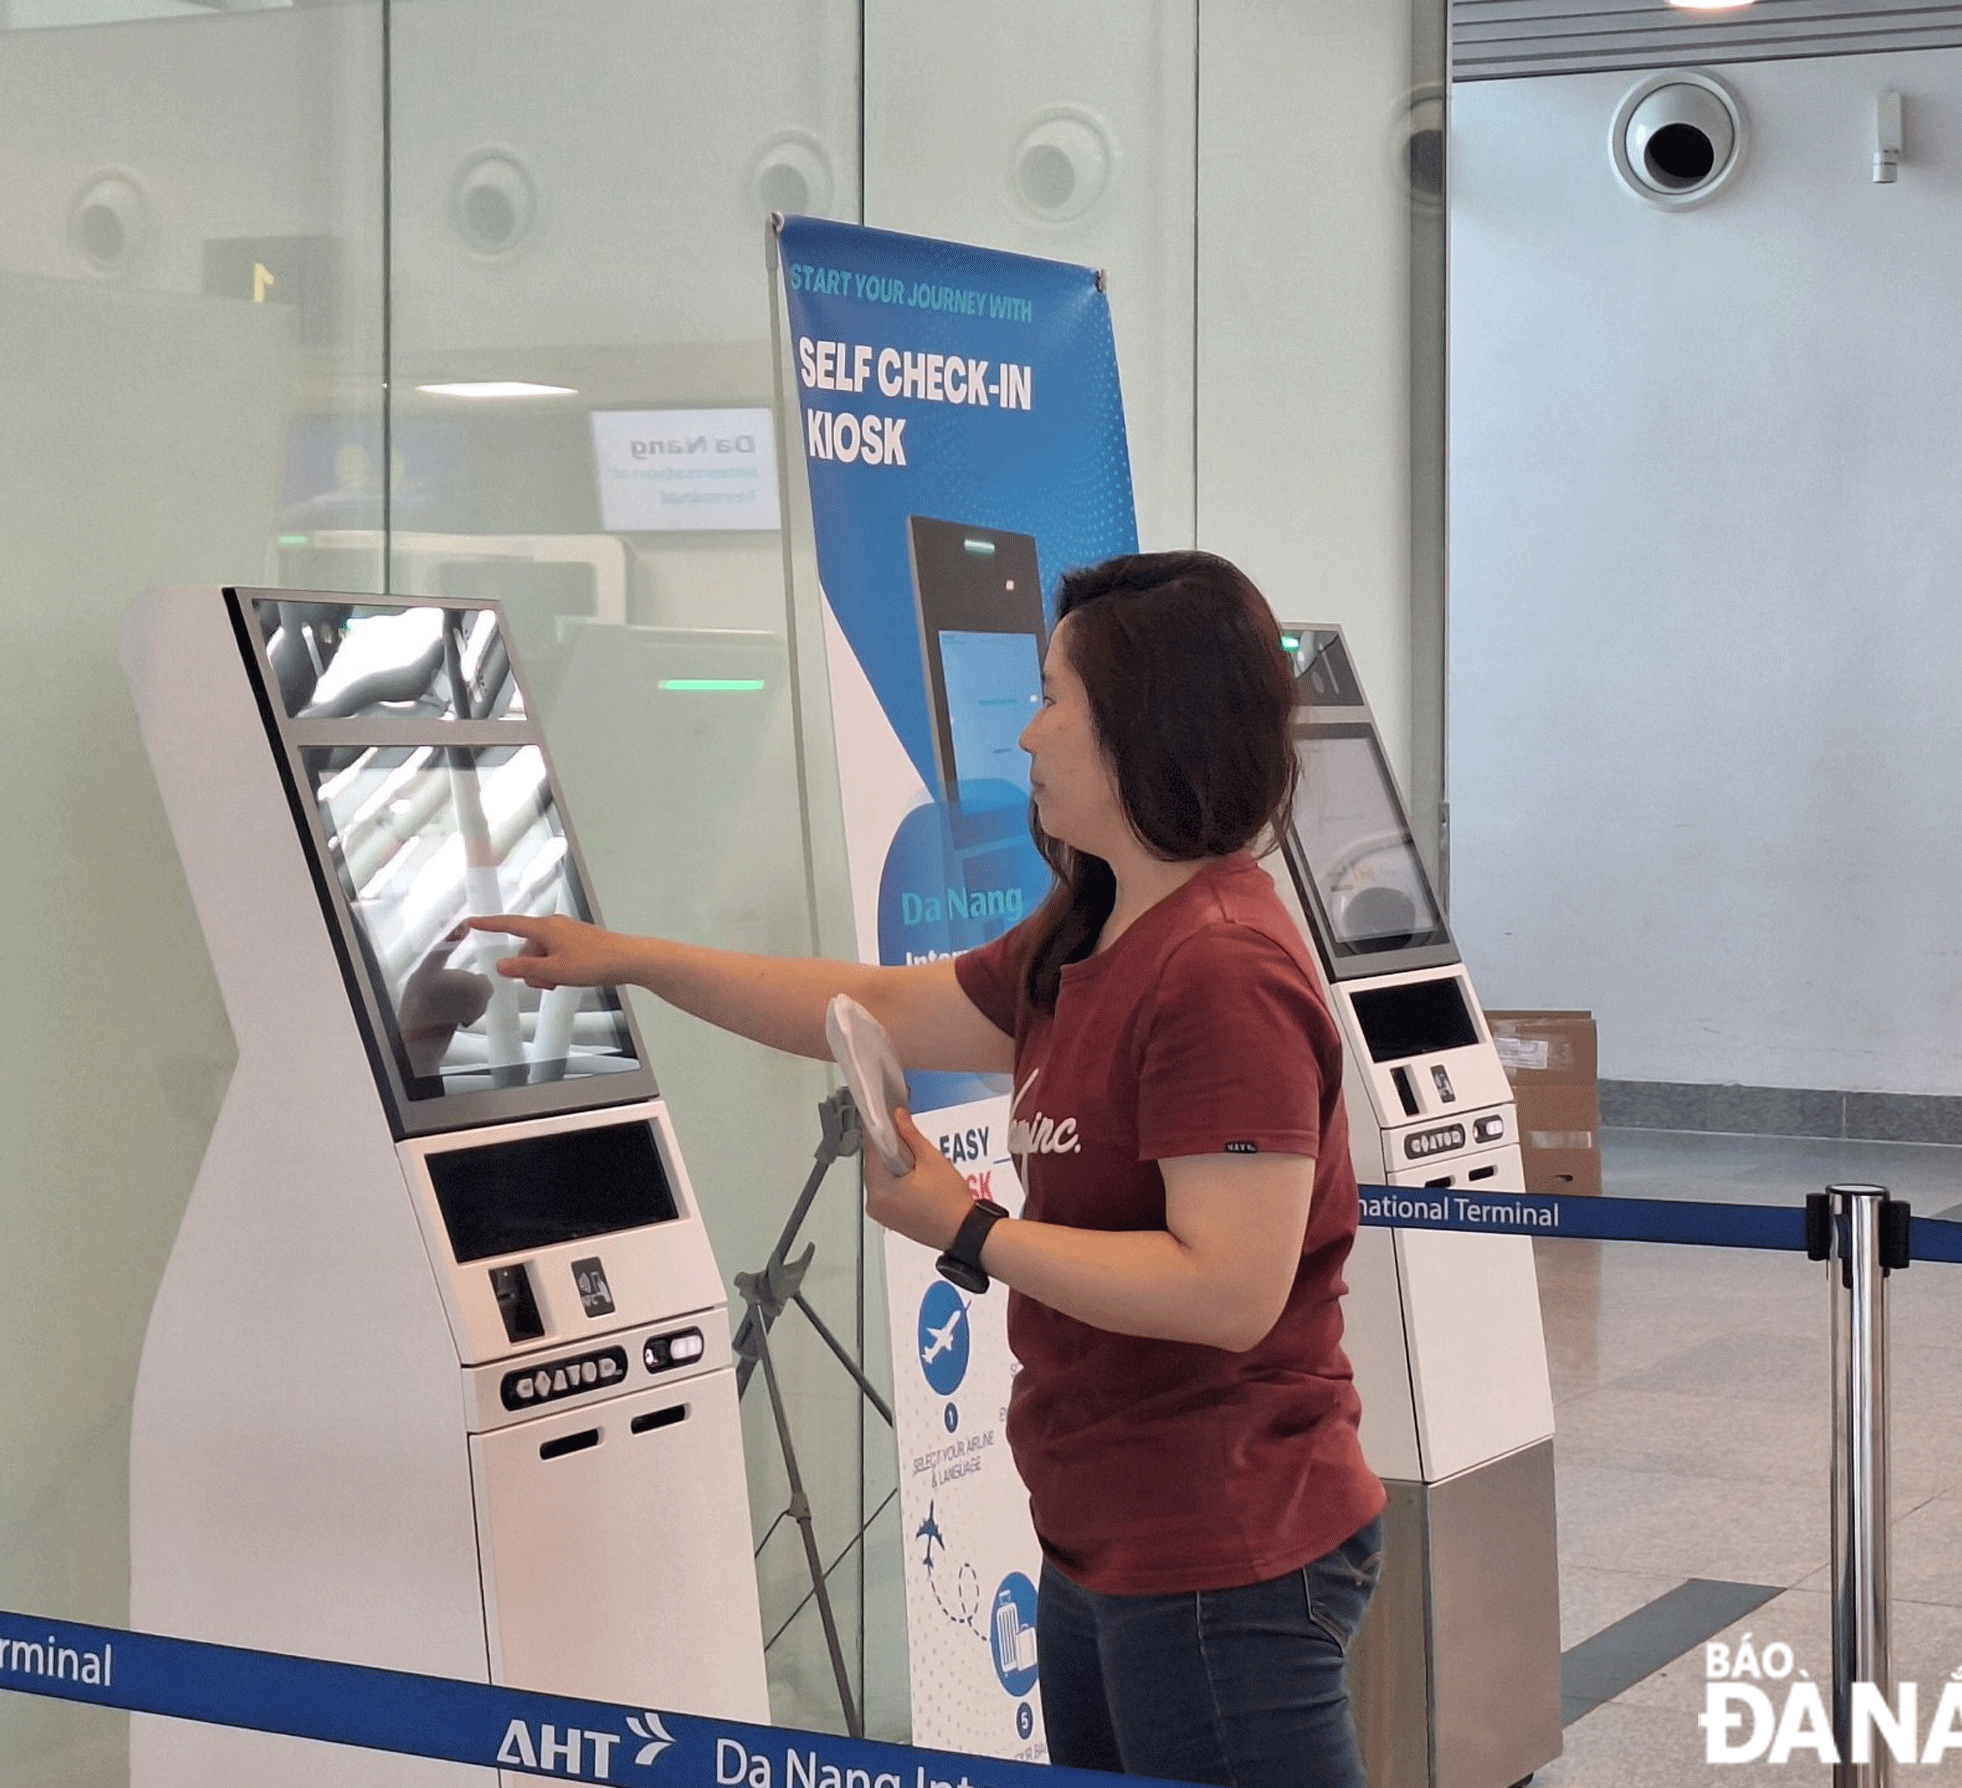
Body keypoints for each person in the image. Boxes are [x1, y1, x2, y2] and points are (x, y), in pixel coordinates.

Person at [472, 550, 1385, 1788]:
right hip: (1103, 1533)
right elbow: (873, 1004)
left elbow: (1227, 1290)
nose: (1027, 733)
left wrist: (967, 1230)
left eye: (1056, 699)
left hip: (1222, 1549)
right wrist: (630, 959)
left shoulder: (1220, 970)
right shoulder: (1095, 928)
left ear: (1141, 733)